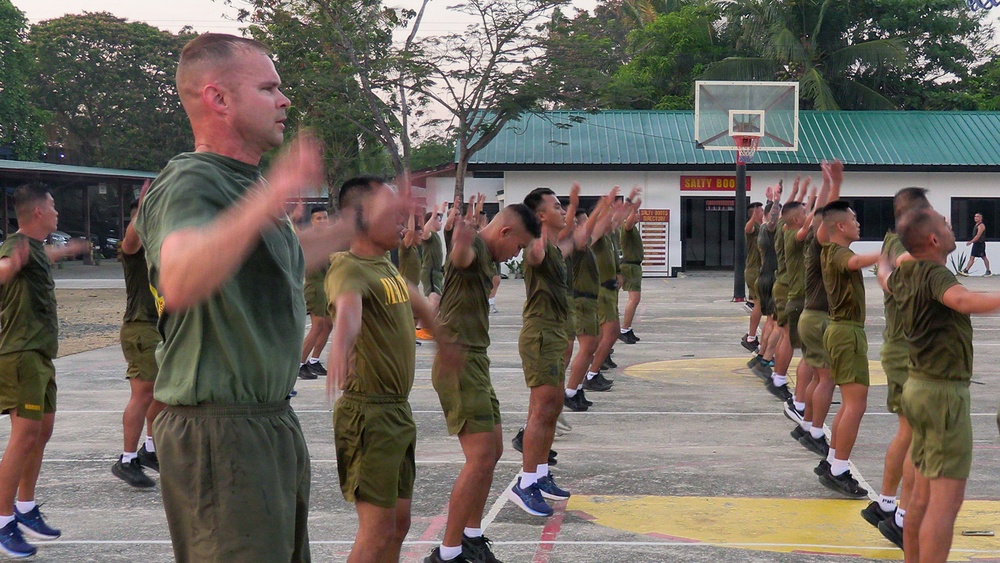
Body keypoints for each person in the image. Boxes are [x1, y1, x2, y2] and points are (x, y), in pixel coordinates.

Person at [135, 33, 353, 561]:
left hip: (265, 421)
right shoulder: (191, 180)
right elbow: (182, 277)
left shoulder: (243, 186)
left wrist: (360, 223)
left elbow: (280, 251)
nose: (284, 101)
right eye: (268, 88)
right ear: (219, 99)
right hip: (219, 429)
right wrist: (275, 195)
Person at [326, 176, 443, 563]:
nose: (401, 220)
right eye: (391, 213)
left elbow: (418, 303)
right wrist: (341, 339)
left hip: (395, 410)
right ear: (359, 218)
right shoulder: (350, 268)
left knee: (398, 524)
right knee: (376, 532)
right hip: (369, 413)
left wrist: (448, 343)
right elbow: (348, 309)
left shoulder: (385, 267)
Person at [883, 207, 1000, 563]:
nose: (952, 228)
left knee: (919, 496)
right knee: (943, 504)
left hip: (918, 387)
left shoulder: (908, 273)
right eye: (946, 225)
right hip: (942, 393)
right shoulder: (933, 273)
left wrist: (894, 254)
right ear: (934, 240)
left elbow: (884, 275)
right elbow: (961, 301)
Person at [425, 200, 539, 563]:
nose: (516, 254)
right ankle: (448, 552)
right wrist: (459, 241)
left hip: (475, 359)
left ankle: (471, 536)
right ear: (505, 232)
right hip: (458, 361)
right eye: (518, 246)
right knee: (480, 456)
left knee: (493, 450)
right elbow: (459, 259)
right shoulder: (474, 245)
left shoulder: (489, 252)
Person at [0, 183, 88, 558]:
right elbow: (7, 265)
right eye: (52, 206)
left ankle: (25, 507)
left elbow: (37, 258)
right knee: (25, 435)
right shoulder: (16, 246)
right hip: (20, 354)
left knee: (43, 430)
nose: (56, 212)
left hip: (39, 356)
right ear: (37, 211)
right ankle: (3, 521)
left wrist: (65, 250)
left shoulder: (33, 247)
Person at [507, 185, 590, 517]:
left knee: (552, 407)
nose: (563, 211)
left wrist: (585, 210)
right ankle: (525, 483)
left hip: (554, 334)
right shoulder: (536, 248)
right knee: (541, 411)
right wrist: (538, 235)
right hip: (540, 334)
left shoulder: (556, 248)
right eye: (556, 206)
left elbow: (581, 236)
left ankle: (539, 474)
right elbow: (534, 255)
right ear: (540, 216)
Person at [861, 188, 930, 548]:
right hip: (908, 352)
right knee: (920, 436)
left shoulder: (895, 242)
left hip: (902, 348)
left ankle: (887, 505)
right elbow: (905, 264)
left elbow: (889, 274)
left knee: (908, 432)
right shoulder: (903, 245)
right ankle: (901, 518)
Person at [817, 200, 879, 497]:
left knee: (848, 402)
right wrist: (888, 252)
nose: (858, 223)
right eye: (853, 220)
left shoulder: (828, 248)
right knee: (856, 403)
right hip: (846, 332)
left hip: (838, 329)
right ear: (840, 226)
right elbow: (853, 264)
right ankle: (840, 469)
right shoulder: (840, 253)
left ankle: (832, 461)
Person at [112, 195, 166, 489]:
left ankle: (149, 449)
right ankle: (127, 459)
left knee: (161, 394)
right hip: (140, 328)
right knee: (142, 394)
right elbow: (131, 239)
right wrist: (144, 208)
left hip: (157, 327)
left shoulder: (158, 250)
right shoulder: (133, 250)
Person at [564, 192, 619, 412]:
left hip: (589, 300)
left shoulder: (584, 242)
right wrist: (601, 209)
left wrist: (606, 209)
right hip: (581, 300)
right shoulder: (575, 243)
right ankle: (570, 391)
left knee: (593, 343)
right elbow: (592, 230)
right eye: (584, 221)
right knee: (587, 347)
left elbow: (598, 228)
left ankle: (576, 388)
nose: (588, 224)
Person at [299, 206, 334, 380]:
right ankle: (300, 363)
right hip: (315, 286)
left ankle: (314, 360)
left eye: (324, 218)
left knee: (328, 325)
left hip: (327, 286)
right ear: (312, 221)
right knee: (318, 325)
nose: (322, 221)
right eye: (318, 218)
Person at [618, 196, 643, 344]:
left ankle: (627, 328)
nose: (638, 215)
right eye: (636, 213)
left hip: (634, 266)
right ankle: (624, 329)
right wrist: (633, 209)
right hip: (631, 266)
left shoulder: (632, 229)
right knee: (634, 299)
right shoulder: (627, 228)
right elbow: (628, 224)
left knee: (635, 299)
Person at [418, 206, 445, 340]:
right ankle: (420, 328)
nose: (440, 223)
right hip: (430, 272)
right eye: (438, 220)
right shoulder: (429, 236)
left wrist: (442, 210)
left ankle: (425, 327)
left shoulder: (436, 236)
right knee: (434, 301)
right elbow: (424, 232)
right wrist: (433, 215)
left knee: (437, 302)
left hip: (437, 274)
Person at [742, 202, 765, 352]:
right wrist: (753, 218)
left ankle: (751, 337)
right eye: (761, 211)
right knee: (760, 304)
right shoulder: (754, 228)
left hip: (758, 271)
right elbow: (747, 229)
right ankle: (751, 337)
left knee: (760, 305)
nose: (763, 213)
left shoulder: (763, 228)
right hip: (754, 271)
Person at [961, 212, 991, 276]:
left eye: (977, 216)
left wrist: (970, 242)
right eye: (975, 216)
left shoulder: (981, 225)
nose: (976, 218)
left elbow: (978, 236)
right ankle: (966, 270)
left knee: (983, 257)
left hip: (980, 244)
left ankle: (988, 271)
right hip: (976, 244)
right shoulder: (976, 225)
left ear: (981, 218)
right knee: (972, 257)